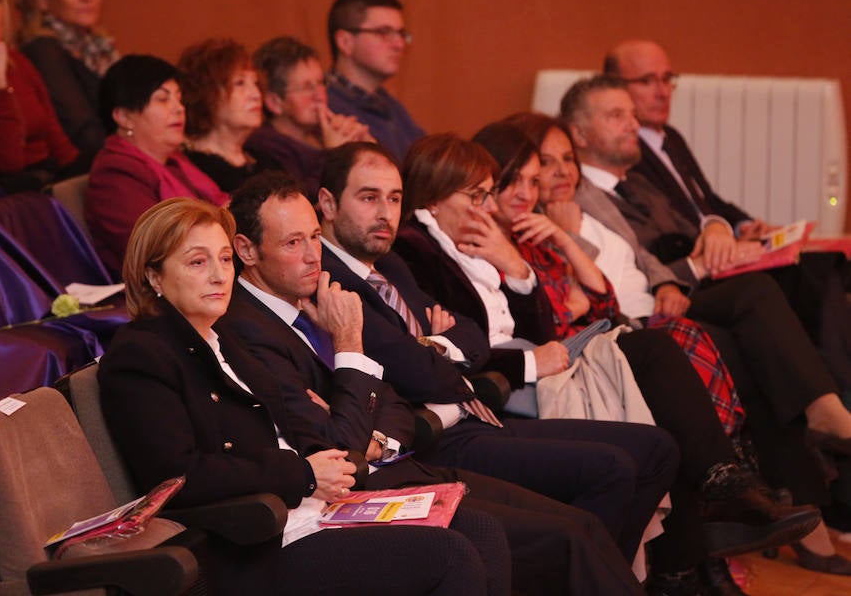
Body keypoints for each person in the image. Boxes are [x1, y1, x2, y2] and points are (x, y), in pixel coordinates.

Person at [318, 140, 820, 595]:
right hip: (455, 421)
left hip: (479, 403)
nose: (385, 212)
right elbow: (425, 368)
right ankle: (639, 569)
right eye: (368, 198)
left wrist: (497, 287)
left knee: (658, 445)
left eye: (392, 198)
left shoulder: (392, 265)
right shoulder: (383, 260)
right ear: (328, 204)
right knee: (615, 459)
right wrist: (449, 348)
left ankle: (636, 564)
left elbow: (476, 332)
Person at [218, 171, 660, 595]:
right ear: (248, 250)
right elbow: (340, 450)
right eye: (293, 243)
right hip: (357, 498)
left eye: (315, 237)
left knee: (582, 525)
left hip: (404, 461)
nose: (314, 255)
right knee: (563, 538)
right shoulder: (247, 330)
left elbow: (389, 398)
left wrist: (376, 435)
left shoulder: (319, 293)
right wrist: (349, 343)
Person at [99, 197, 501, 596]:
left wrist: (325, 452)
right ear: (153, 276)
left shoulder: (224, 339)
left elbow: (312, 430)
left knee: (483, 531)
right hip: (256, 542)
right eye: (197, 262)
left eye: (224, 259)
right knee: (449, 556)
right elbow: (177, 477)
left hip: (316, 510)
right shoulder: (141, 354)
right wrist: (304, 474)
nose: (220, 276)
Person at [558, 75, 851, 575]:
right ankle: (822, 430)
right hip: (657, 308)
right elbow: (625, 273)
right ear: (578, 135)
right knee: (754, 323)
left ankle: (808, 491)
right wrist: (684, 273)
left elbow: (691, 223)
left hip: (677, 293)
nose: (635, 124)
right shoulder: (575, 200)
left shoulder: (639, 183)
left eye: (632, 114)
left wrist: (718, 227)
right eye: (617, 116)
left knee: (783, 307)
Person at [603, 40, 851, 395]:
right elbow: (668, 230)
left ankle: (834, 391)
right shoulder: (626, 151)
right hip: (699, 261)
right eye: (646, 81)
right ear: (615, 87)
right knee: (816, 275)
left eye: (667, 79)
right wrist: (720, 234)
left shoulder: (668, 137)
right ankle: (837, 395)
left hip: (721, 245)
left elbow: (708, 200)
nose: (661, 92)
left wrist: (743, 224)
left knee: (830, 268)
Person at [476, 119, 744, 439]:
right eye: (546, 165)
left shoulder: (541, 233)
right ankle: (724, 461)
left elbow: (604, 300)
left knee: (718, 326)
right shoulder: (500, 241)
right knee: (673, 340)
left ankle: (732, 456)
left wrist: (565, 241)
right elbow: (547, 322)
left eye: (533, 180)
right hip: (570, 354)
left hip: (612, 328)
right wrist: (572, 295)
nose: (525, 192)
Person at [85, 54, 229, 277]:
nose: (178, 108)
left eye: (178, 98)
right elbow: (154, 249)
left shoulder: (174, 161)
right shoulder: (115, 173)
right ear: (123, 116)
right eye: (163, 99)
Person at [0, 0, 81, 192]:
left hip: (50, 176)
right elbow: (6, 162)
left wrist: (84, 176)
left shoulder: (18, 62)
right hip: (8, 194)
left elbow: (58, 142)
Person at [247, 36, 371, 199]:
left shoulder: (324, 132)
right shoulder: (265, 148)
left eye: (321, 83)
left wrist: (366, 146)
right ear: (274, 102)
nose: (319, 95)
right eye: (306, 88)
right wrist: (334, 154)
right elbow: (302, 201)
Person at [326, 0, 424, 160]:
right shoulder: (326, 110)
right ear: (345, 42)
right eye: (383, 32)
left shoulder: (392, 107)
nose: (399, 44)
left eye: (401, 33)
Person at [18, 0, 117, 158]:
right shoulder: (43, 50)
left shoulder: (99, 46)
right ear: (41, 0)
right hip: (86, 168)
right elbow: (83, 133)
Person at [178, 37, 272, 194]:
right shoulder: (191, 169)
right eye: (240, 83)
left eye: (255, 83)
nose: (256, 94)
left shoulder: (264, 160)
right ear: (207, 92)